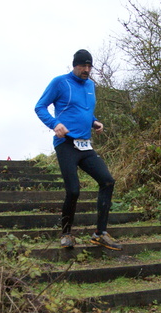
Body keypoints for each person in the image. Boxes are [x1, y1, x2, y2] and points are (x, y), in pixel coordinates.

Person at [35, 49, 122, 251]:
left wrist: (94, 122)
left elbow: (84, 111)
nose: (86, 70)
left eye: (89, 66)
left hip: (85, 144)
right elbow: (40, 107)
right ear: (74, 65)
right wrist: (54, 124)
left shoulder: (91, 85)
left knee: (107, 181)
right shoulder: (60, 82)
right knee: (73, 190)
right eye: (82, 65)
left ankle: (100, 234)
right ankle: (66, 234)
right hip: (66, 144)